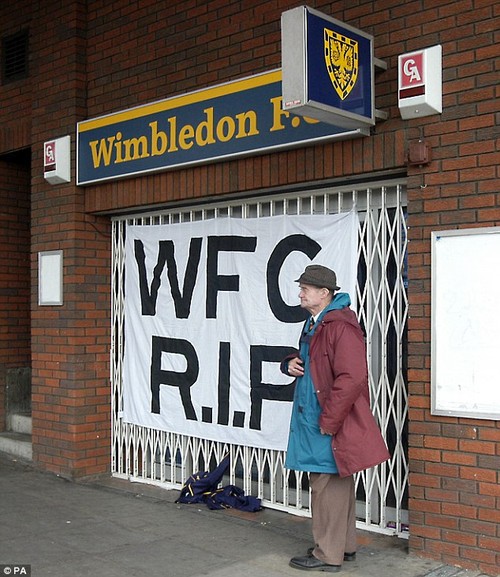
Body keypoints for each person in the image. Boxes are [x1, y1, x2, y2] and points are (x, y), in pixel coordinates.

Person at [282, 264, 390, 573]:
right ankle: (343, 547)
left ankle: (327, 554)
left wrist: (329, 420)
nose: (300, 292)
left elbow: (353, 377)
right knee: (336, 483)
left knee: (325, 485)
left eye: (306, 287)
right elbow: (312, 363)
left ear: (324, 293)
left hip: (324, 419)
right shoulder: (318, 323)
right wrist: (289, 363)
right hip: (317, 415)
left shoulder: (338, 326)